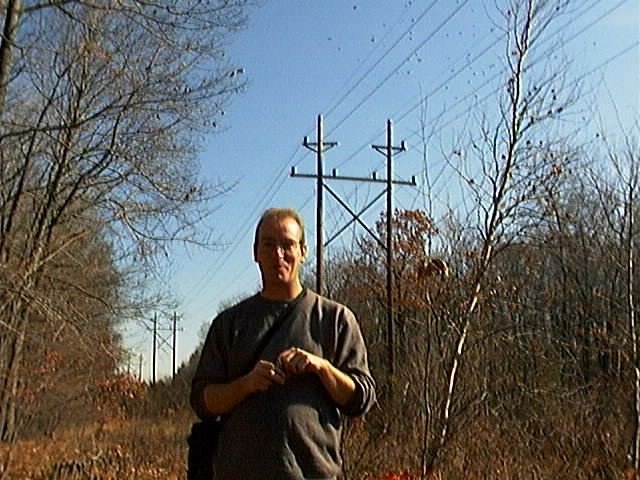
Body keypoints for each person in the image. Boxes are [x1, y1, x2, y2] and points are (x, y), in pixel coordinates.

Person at [190, 207, 376, 480]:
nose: (278, 254)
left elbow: (361, 398)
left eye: (287, 244)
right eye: (268, 244)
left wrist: (322, 368)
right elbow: (202, 401)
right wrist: (246, 384)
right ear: (255, 253)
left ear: (303, 251)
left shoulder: (335, 319)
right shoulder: (229, 324)